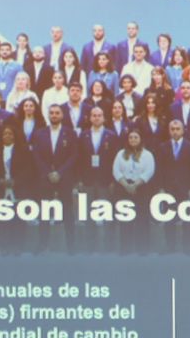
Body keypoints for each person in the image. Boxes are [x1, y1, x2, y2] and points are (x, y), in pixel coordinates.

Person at [30, 104, 76, 254]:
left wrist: (60, 172)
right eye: (52, 113)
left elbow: (74, 155)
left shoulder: (70, 133)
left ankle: (71, 246)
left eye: (57, 113)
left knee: (68, 211)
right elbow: (36, 155)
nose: (54, 115)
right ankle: (42, 244)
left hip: (64, 177)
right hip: (45, 177)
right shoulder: (39, 133)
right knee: (44, 211)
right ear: (48, 115)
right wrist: (48, 172)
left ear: (62, 115)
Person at [77, 106, 117, 253]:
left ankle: (108, 246)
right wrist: (79, 179)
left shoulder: (111, 135)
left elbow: (115, 159)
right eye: (94, 115)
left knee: (107, 213)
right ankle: (90, 246)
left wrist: (113, 180)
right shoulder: (83, 135)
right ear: (90, 118)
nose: (96, 118)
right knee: (89, 214)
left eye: (99, 115)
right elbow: (79, 159)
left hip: (105, 180)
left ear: (104, 118)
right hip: (87, 179)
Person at [158, 118, 190, 254]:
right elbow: (160, 169)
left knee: (187, 218)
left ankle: (187, 246)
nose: (175, 132)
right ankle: (170, 246)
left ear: (183, 130)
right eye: (172, 129)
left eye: (178, 129)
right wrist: (161, 188)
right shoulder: (163, 147)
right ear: (169, 131)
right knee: (168, 218)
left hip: (186, 187)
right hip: (168, 188)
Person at [111, 128, 154, 255]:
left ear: (140, 139)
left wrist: (136, 184)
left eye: (136, 137)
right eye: (130, 137)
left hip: (141, 187)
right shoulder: (120, 154)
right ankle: (125, 248)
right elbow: (116, 170)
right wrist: (126, 185)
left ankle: (142, 248)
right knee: (125, 219)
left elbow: (149, 170)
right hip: (124, 188)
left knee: (142, 218)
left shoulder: (147, 155)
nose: (133, 140)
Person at [0, 123, 32, 256]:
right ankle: (4, 246)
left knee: (18, 219)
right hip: (1, 189)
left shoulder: (23, 150)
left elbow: (28, 170)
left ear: (15, 136)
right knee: (2, 220)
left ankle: (17, 247)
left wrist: (16, 181)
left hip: (18, 189)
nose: (7, 136)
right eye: (4, 134)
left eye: (10, 133)